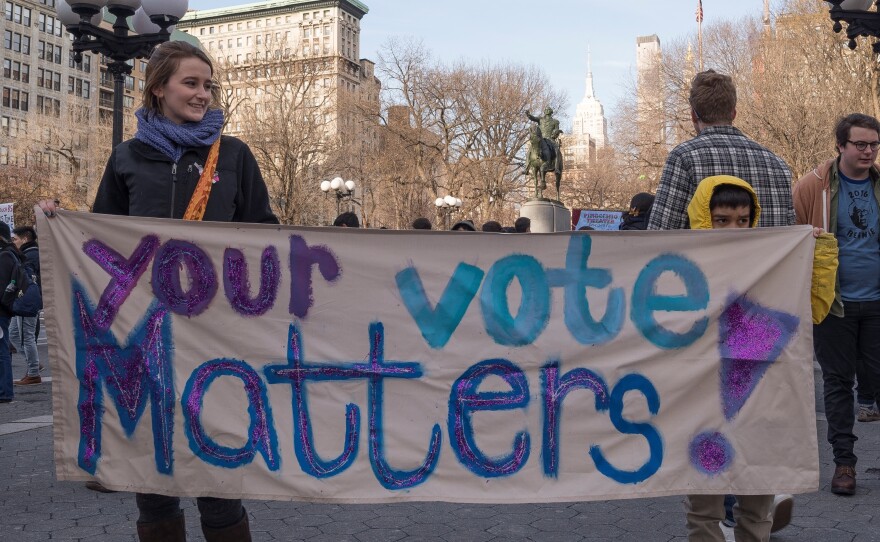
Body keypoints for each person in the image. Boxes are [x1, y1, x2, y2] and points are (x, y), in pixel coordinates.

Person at [42, 40, 277, 541]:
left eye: (208, 85)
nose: (202, 94)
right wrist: (57, 222)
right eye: (190, 83)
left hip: (216, 339)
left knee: (218, 479)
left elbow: (265, 234)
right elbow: (99, 239)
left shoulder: (232, 155)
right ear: (158, 88)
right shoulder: (126, 157)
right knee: (152, 479)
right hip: (142, 341)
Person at [686, 175, 795, 541]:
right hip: (700, 398)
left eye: (743, 219)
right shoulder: (683, 266)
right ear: (704, 218)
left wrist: (817, 255)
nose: (735, 227)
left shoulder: (770, 262)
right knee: (704, 504)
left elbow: (814, 308)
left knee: (758, 499)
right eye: (721, 220)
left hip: (758, 396)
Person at [793, 113, 880, 495]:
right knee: (838, 383)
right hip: (834, 304)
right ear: (840, 146)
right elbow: (789, 233)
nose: (868, 151)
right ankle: (844, 463)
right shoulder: (812, 186)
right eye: (860, 144)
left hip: (877, 303)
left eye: (874, 145)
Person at [648, 70, 795, 231]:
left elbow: (660, 234)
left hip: (706, 257)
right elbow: (790, 233)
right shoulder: (778, 165)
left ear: (693, 116)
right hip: (768, 256)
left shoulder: (683, 158)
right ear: (733, 113)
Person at [11, 226, 41, 386]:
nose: (13, 242)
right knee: (14, 334)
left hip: (26, 300)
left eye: (15, 239)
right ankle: (34, 364)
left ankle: (34, 372)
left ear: (25, 239)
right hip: (26, 299)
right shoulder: (28, 254)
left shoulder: (30, 255)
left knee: (26, 337)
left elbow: (26, 278)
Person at [0, 221, 17, 404]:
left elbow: (3, 288)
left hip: (1, 312)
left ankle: (4, 391)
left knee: (2, 351)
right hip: (3, 311)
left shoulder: (5, 256)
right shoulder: (7, 254)